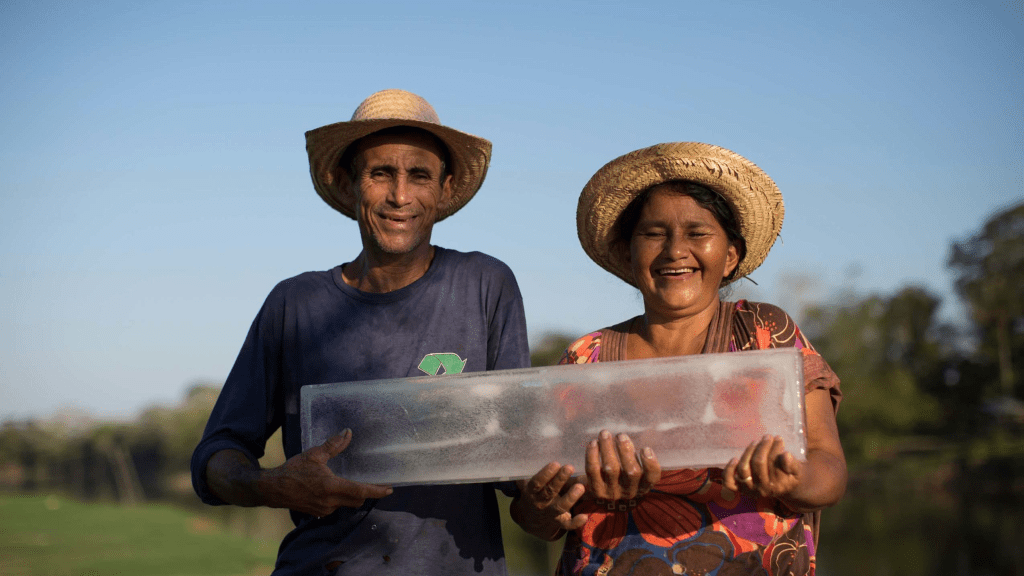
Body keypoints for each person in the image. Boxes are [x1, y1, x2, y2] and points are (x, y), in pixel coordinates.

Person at [191, 89, 530, 575]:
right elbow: (214, 457)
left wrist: (564, 478)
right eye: (380, 174)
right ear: (349, 184)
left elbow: (516, 453)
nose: (400, 196)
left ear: (446, 188)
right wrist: (272, 485)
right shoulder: (295, 304)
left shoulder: (484, 284)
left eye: (419, 175)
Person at [511, 142, 846, 575]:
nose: (674, 250)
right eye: (653, 234)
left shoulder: (765, 336)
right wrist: (544, 509)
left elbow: (830, 469)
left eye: (697, 233)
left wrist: (794, 479)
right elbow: (537, 519)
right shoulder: (584, 360)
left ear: (730, 256)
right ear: (628, 256)